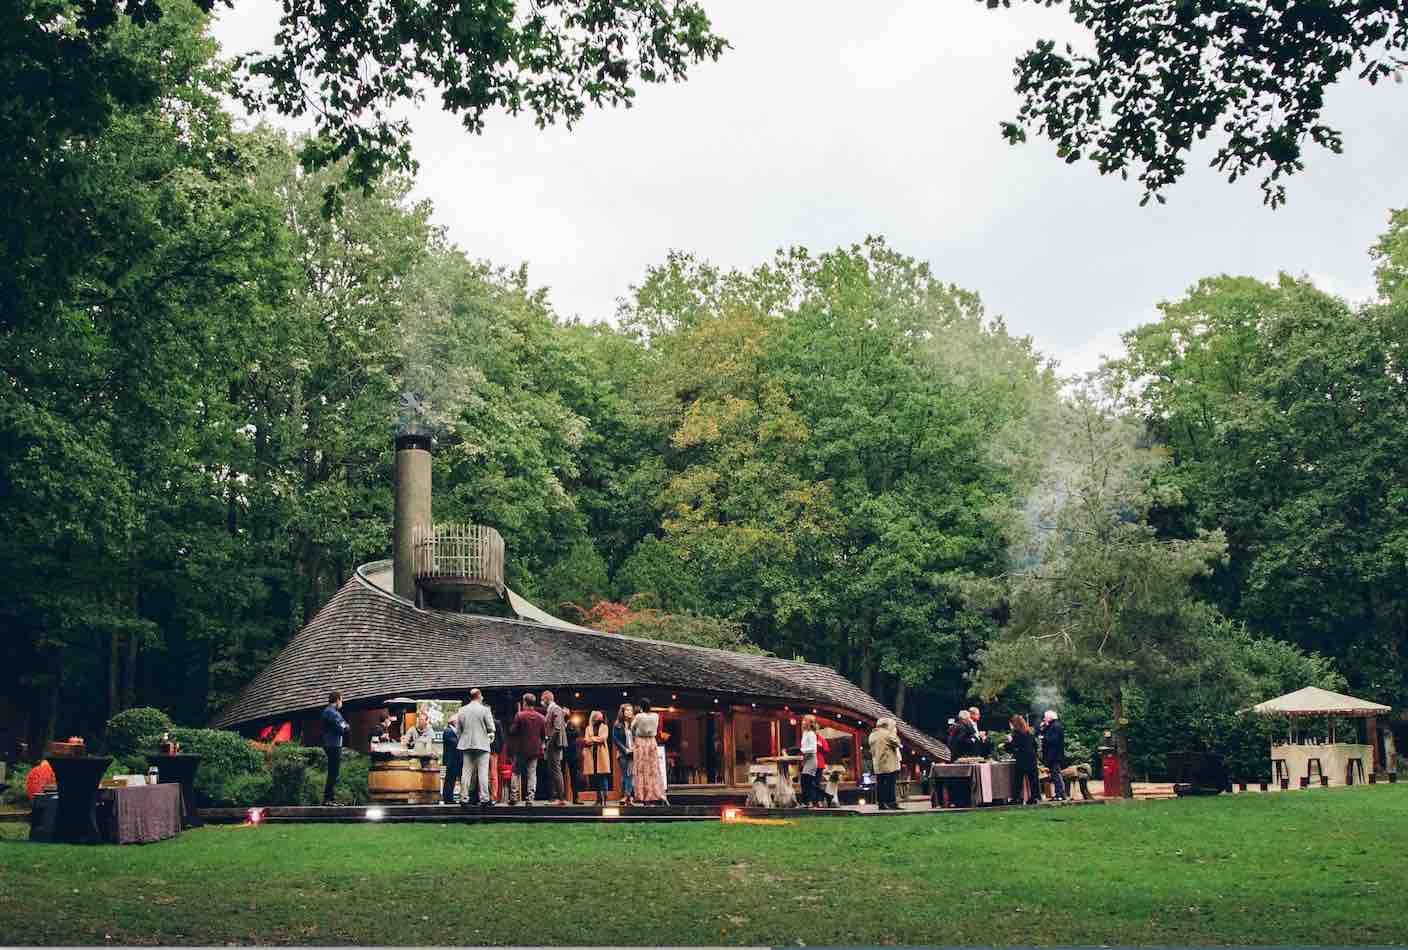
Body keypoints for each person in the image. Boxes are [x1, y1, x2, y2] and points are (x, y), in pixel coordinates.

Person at [453, 688, 497, 808]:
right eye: (481, 696)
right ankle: (485, 799)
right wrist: (489, 737)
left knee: (466, 773)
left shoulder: (462, 710)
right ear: (478, 696)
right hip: (482, 744)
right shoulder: (485, 710)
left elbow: (458, 731)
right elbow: (491, 728)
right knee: (483, 773)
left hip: (466, 744)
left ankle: (463, 798)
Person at [507, 692, 547, 806]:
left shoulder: (520, 715)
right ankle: (530, 798)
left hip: (521, 749)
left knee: (515, 772)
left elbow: (512, 731)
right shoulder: (541, 718)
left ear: (525, 702)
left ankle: (513, 797)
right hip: (535, 750)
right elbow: (544, 735)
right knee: (532, 774)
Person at [630, 698, 668, 805]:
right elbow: (656, 727)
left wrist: (635, 735)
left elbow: (632, 728)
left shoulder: (638, 716)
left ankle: (643, 795)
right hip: (651, 742)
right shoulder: (655, 716)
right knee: (652, 769)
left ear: (641, 706)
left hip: (641, 742)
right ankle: (655, 794)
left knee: (641, 769)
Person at [320, 691, 350, 805]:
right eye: (341, 700)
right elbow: (343, 728)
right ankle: (328, 800)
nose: (342, 703)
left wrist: (345, 726)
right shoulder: (332, 713)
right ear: (337, 700)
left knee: (334, 772)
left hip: (332, 744)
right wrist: (345, 726)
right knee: (333, 772)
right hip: (333, 745)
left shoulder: (330, 712)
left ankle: (330, 799)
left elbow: (344, 725)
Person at [1004, 715, 1041, 804]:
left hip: (1021, 759)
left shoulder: (1016, 734)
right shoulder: (1029, 733)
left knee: (1018, 780)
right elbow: (1035, 746)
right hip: (1031, 758)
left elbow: (1012, 747)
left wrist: (1008, 742)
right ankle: (1035, 797)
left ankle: (1016, 798)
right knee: (1033, 779)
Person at [868, 717, 902, 810]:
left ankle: (881, 804)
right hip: (888, 763)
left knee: (880, 784)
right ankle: (891, 803)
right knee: (890, 784)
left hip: (878, 764)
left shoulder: (872, 735)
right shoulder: (887, 734)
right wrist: (894, 733)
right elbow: (897, 743)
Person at [541, 689, 568, 805]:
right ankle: (557, 797)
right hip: (552, 743)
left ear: (547, 699)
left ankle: (561, 798)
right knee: (553, 770)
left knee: (556, 770)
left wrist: (549, 742)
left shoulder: (555, 708)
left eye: (542, 699)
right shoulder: (551, 709)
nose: (541, 702)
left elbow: (557, 728)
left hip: (555, 744)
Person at [580, 710, 612, 803]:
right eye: (599, 716)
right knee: (595, 778)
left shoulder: (604, 727)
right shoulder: (588, 728)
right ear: (594, 717)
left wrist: (592, 739)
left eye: (601, 716)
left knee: (603, 776)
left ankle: (605, 797)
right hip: (591, 754)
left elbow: (603, 738)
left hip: (601, 754)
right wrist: (594, 739)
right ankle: (598, 798)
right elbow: (586, 740)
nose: (601, 718)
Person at [1039, 709, 1067, 801]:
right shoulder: (1052, 726)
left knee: (1056, 775)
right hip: (1053, 755)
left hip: (1054, 756)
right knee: (1055, 775)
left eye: (1045, 717)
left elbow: (1053, 740)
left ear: (1050, 718)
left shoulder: (1055, 726)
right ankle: (1059, 794)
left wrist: (1043, 737)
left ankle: (1060, 794)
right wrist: (1043, 729)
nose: (1044, 719)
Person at [612, 704, 635, 805]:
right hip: (623, 754)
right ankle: (627, 796)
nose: (630, 712)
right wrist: (625, 749)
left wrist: (634, 748)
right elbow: (615, 740)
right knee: (626, 775)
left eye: (631, 710)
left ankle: (626, 797)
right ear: (623, 712)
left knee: (629, 775)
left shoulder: (634, 724)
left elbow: (636, 738)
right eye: (627, 710)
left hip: (633, 753)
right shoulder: (617, 725)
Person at [563, 709, 583, 804]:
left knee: (574, 776)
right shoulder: (558, 723)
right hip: (561, 752)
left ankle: (576, 797)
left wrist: (565, 734)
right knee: (560, 775)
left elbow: (577, 733)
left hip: (572, 752)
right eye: (563, 712)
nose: (564, 713)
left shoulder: (572, 724)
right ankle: (560, 798)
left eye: (566, 712)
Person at [799, 714, 819, 808]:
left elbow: (812, 748)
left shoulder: (811, 734)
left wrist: (802, 751)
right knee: (804, 781)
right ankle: (806, 802)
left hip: (811, 759)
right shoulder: (805, 733)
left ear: (809, 723)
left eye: (804, 720)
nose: (802, 722)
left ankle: (807, 802)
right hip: (806, 759)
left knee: (806, 781)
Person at [440, 715, 461, 804]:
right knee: (449, 780)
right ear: (454, 722)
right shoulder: (448, 731)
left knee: (451, 780)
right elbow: (455, 743)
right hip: (451, 760)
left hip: (455, 760)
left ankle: (449, 797)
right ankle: (447, 798)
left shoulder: (454, 731)